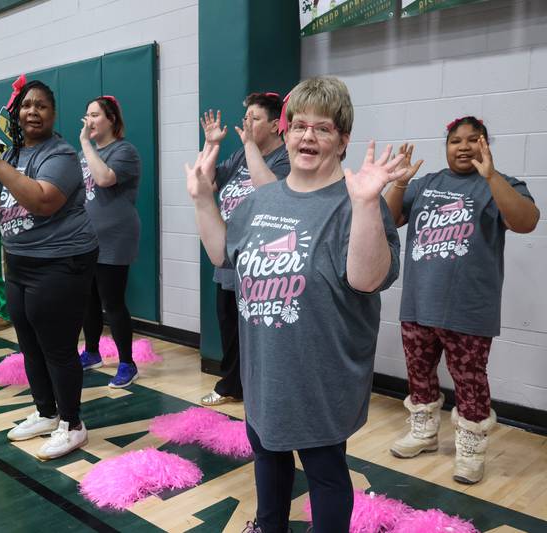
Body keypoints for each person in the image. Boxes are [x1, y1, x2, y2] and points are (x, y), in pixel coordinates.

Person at [189, 76, 403, 533]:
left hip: (320, 375)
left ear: (343, 139)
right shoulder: (260, 200)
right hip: (265, 368)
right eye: (299, 126)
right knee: (268, 453)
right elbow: (225, 254)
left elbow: (368, 280)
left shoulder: (355, 204)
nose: (308, 136)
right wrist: (202, 199)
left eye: (323, 128)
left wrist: (366, 204)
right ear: (284, 134)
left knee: (324, 470)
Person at [384, 116, 539, 484]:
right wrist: (400, 182)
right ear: (447, 146)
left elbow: (526, 221)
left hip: (470, 311)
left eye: (474, 139)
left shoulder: (503, 184)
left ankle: (470, 451)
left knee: (470, 383)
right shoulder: (427, 184)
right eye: (456, 141)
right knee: (418, 375)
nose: (465, 146)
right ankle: (423, 433)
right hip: (419, 305)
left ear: (486, 145)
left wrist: (491, 177)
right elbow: (387, 221)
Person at [0, 77, 98, 460]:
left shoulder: (62, 155)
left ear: (53, 115)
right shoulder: (11, 154)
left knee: (58, 347)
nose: (32, 111)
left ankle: (72, 424)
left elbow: (42, 201)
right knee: (30, 344)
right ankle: (46, 411)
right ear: (16, 113)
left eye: (41, 106)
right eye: (26, 106)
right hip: (20, 261)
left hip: (60, 262)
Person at [197, 92, 291, 406]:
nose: (247, 123)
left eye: (255, 118)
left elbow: (270, 195)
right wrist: (212, 145)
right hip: (229, 255)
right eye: (246, 117)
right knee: (229, 324)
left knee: (257, 329)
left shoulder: (285, 159)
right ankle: (233, 384)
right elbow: (204, 181)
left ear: (277, 125)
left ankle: (253, 388)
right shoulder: (238, 157)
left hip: (263, 260)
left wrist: (250, 146)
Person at [77, 95, 142, 388]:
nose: (89, 120)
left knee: (112, 302)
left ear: (111, 119)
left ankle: (128, 362)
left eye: (95, 115)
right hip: (87, 238)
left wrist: (85, 145)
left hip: (115, 237)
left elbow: (104, 179)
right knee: (87, 299)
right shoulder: (85, 156)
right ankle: (92, 352)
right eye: (87, 115)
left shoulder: (124, 150)